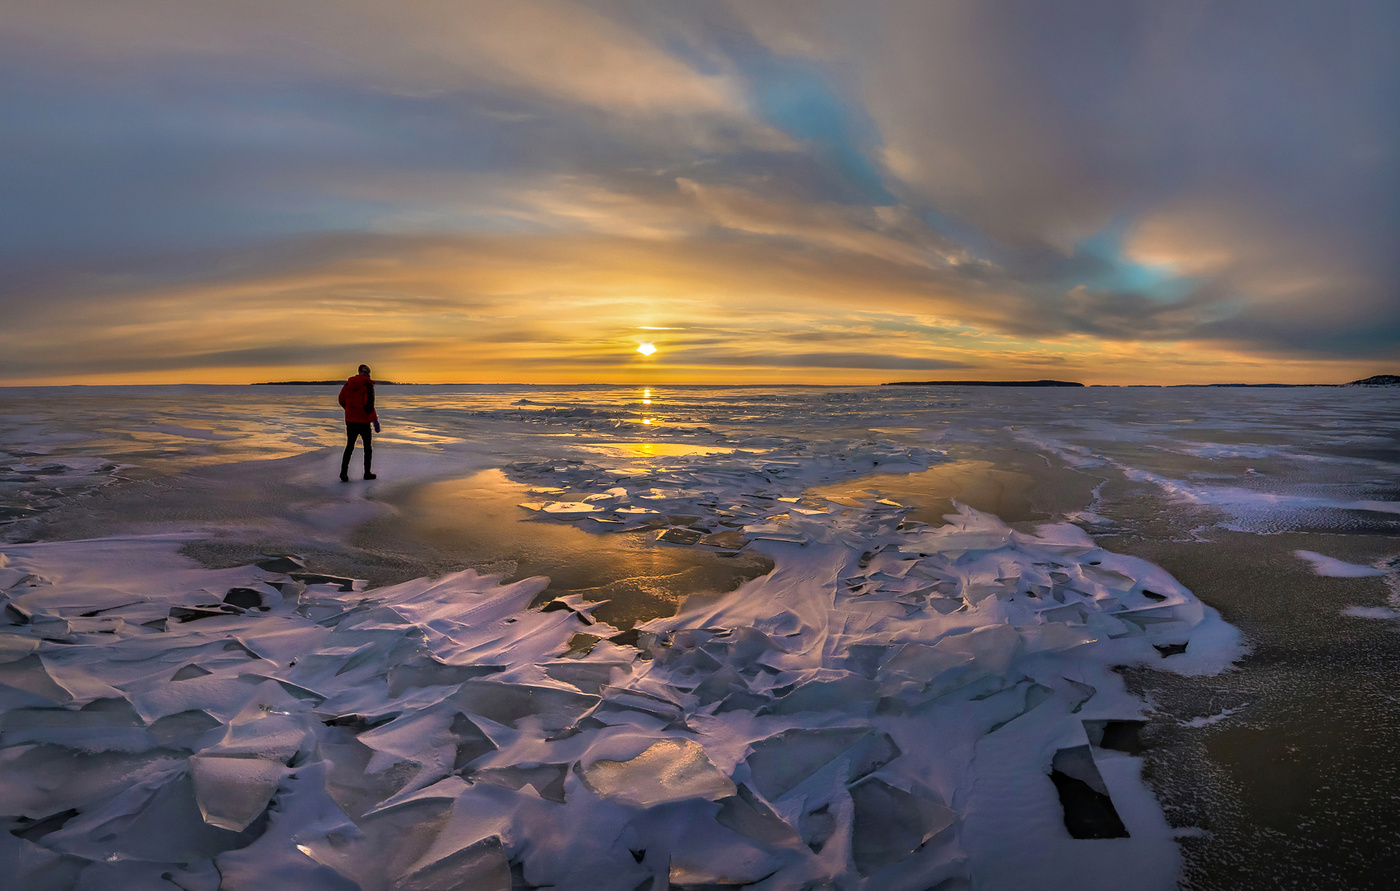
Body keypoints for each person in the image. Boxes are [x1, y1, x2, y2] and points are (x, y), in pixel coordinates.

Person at [337, 364, 379, 481]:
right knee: (367, 448)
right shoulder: (367, 385)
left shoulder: (348, 384)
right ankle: (367, 473)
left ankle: (343, 473)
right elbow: (369, 406)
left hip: (350, 421)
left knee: (349, 446)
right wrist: (374, 420)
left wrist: (349, 410)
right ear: (367, 373)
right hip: (364, 422)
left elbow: (341, 399)